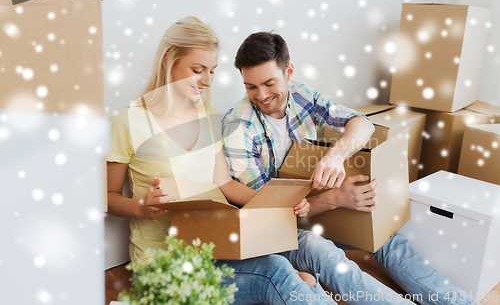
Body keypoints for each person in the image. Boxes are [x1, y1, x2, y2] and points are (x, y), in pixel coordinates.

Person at [221, 31, 479, 305]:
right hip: (276, 229)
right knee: (328, 256)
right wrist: (335, 199)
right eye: (250, 87)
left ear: (288, 71)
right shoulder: (239, 127)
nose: (261, 95)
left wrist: (335, 156)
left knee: (387, 238)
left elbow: (362, 123)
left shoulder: (300, 95)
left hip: (311, 206)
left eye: (269, 83)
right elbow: (269, 212)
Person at [106, 16, 341, 305]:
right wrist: (142, 207)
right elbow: (107, 198)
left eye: (212, 71)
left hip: (210, 247)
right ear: (168, 60)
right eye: (197, 70)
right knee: (279, 275)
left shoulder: (208, 115)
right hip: (162, 260)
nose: (207, 80)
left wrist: (278, 204)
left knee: (299, 277)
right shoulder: (127, 122)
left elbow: (224, 183)